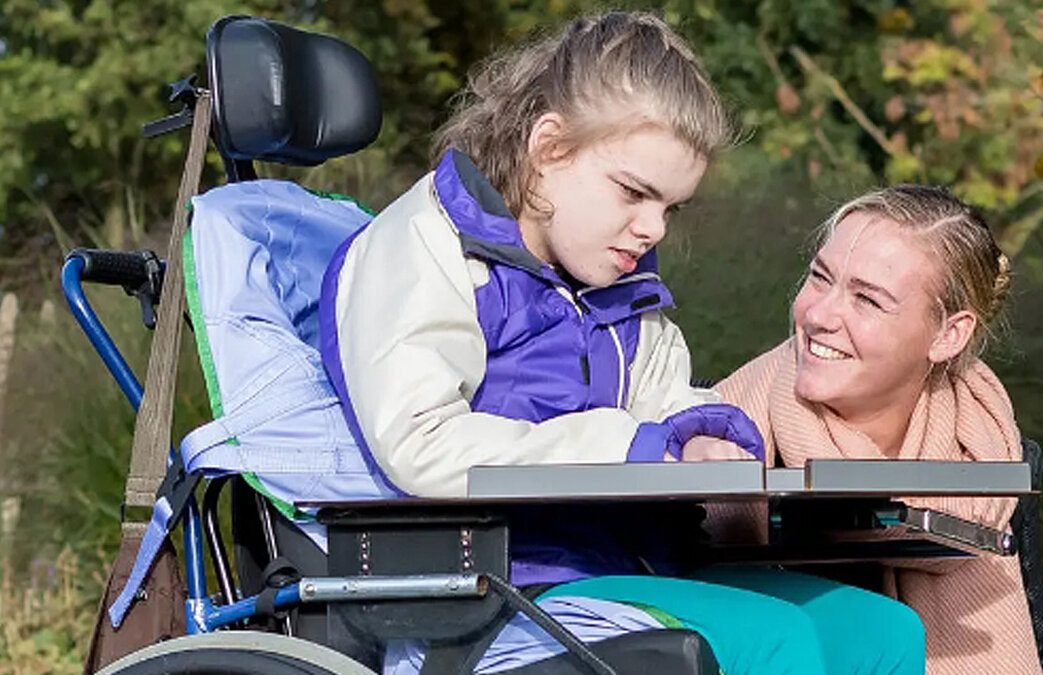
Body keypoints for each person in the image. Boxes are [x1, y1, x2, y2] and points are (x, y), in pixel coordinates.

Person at [319, 11, 923, 675]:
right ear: (550, 148)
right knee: (775, 638)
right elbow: (420, 443)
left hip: (625, 564)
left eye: (670, 208)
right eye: (634, 193)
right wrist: (632, 445)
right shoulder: (423, 247)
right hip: (489, 592)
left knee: (880, 629)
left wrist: (700, 437)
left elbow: (664, 404)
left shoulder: (614, 279)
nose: (652, 229)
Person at [716, 185, 1042, 674]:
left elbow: (1042, 649)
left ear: (948, 335)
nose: (818, 315)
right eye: (820, 277)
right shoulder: (718, 432)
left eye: (867, 300)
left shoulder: (990, 460)